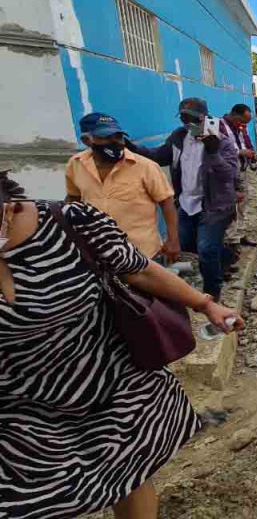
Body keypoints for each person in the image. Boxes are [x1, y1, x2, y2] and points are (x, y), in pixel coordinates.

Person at [0, 169, 243, 519]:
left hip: (111, 384)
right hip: (20, 409)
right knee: (29, 501)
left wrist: (205, 304)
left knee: (128, 474)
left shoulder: (70, 223)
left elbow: (140, 270)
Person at [129, 98, 240, 300]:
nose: (188, 123)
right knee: (189, 245)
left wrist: (213, 152)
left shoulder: (222, 141)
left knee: (206, 249)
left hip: (215, 206)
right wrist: (135, 150)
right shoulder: (179, 137)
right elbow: (161, 155)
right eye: (183, 118)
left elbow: (230, 175)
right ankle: (226, 256)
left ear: (204, 117)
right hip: (187, 203)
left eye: (192, 118)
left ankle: (212, 293)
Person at [66, 113, 179, 263]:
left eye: (118, 137)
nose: (115, 142)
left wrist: (173, 240)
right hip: (95, 252)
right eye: (106, 137)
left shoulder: (146, 167)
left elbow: (166, 201)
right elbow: (73, 199)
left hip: (142, 254)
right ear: (87, 140)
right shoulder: (76, 164)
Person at [222, 104, 257, 249]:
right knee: (230, 207)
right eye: (242, 120)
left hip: (242, 170)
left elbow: (245, 142)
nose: (243, 124)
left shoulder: (240, 128)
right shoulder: (220, 126)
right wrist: (240, 152)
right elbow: (219, 148)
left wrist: (252, 154)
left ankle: (240, 234)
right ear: (234, 113)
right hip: (227, 173)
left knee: (243, 205)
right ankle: (231, 240)